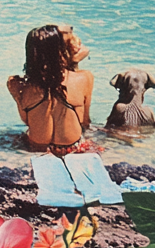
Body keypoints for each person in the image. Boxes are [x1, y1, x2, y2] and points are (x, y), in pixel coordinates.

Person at [7, 24, 97, 157]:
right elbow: (84, 121)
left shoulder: (17, 85)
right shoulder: (84, 78)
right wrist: (74, 60)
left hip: (34, 148)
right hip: (72, 148)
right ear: (61, 50)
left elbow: (27, 121)